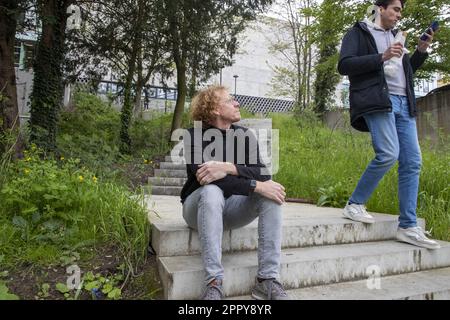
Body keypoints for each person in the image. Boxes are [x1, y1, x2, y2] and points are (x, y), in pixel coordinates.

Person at [338, 0, 440, 249]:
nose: (398, 15)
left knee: (412, 162)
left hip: (405, 103)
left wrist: (421, 51)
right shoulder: (359, 32)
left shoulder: (397, 36)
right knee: (388, 154)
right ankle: (354, 204)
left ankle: (407, 226)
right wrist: (381, 56)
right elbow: (344, 65)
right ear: (380, 8)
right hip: (378, 101)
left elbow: (406, 71)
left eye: (400, 11)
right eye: (395, 9)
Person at [180, 85, 289, 300]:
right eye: (230, 100)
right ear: (214, 110)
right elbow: (205, 177)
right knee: (211, 190)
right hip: (198, 209)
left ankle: (267, 280)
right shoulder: (193, 135)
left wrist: (229, 167)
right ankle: (214, 282)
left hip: (232, 210)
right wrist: (253, 185)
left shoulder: (244, 136)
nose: (237, 103)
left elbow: (262, 173)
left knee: (271, 193)